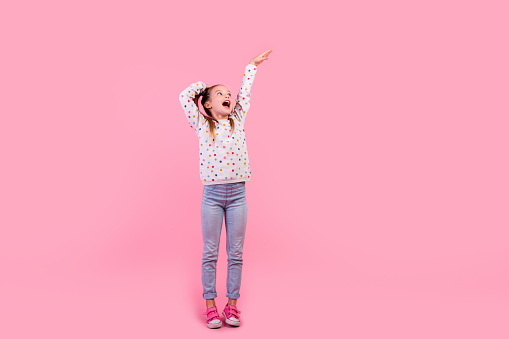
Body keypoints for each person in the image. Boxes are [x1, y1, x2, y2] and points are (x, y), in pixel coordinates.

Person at [178, 49, 272, 328]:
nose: (226, 96)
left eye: (227, 94)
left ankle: (231, 305)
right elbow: (184, 97)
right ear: (206, 104)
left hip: (238, 196)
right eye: (219, 94)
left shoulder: (237, 119)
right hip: (212, 197)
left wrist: (251, 67)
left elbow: (245, 92)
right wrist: (203, 87)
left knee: (236, 253)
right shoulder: (201, 124)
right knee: (210, 252)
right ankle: (210, 305)